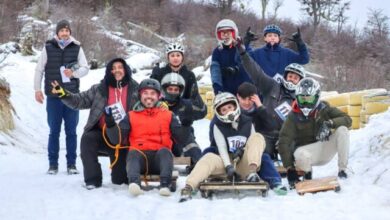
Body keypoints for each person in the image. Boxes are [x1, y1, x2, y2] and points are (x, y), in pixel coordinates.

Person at [51, 58, 139, 189]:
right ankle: (93, 180)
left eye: (120, 67)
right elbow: (79, 101)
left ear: (125, 69)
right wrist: (63, 94)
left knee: (119, 180)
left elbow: (150, 101)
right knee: (87, 139)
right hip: (101, 133)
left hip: (124, 138)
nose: (116, 70)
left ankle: (120, 173)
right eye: (113, 68)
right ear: (109, 71)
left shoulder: (136, 89)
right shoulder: (99, 89)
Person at [105, 78, 186, 197]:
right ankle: (134, 184)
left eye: (153, 93)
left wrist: (185, 125)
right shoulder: (131, 116)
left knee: (165, 152)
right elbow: (116, 139)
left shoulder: (168, 115)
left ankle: (165, 185)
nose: (149, 96)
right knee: (132, 153)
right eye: (145, 93)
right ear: (140, 95)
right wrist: (111, 124)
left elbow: (181, 138)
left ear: (158, 96)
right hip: (140, 159)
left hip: (160, 160)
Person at [180, 92, 265, 202]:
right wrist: (229, 167)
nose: (228, 111)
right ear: (219, 113)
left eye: (230, 107)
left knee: (257, 137)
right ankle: (189, 187)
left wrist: (242, 150)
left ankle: (253, 173)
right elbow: (222, 148)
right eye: (224, 110)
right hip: (226, 165)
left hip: (246, 163)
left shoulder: (248, 122)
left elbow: (253, 143)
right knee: (208, 157)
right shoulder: (217, 125)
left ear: (235, 106)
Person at [34, 19, 89, 175]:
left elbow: (85, 68)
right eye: (61, 30)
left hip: (72, 97)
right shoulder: (48, 47)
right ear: (57, 33)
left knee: (71, 132)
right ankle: (53, 164)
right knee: (54, 131)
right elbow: (39, 70)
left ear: (70, 32)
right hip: (54, 96)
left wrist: (74, 73)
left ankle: (71, 165)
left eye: (67, 30)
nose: (64, 33)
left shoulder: (77, 47)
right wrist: (37, 89)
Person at [278, 78, 352, 188]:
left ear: (317, 97)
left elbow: (347, 119)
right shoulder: (293, 116)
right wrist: (289, 169)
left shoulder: (324, 109)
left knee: (343, 130)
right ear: (297, 98)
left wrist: (330, 123)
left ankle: (343, 170)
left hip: (324, 147)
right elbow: (284, 141)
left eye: (309, 99)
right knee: (300, 154)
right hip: (305, 154)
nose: (306, 103)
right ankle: (307, 174)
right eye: (302, 99)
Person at [238, 39, 306, 159]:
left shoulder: (300, 100)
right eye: (290, 76)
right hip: (265, 133)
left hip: (284, 137)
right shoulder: (272, 85)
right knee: (263, 155)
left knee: (297, 153)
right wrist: (243, 53)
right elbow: (256, 72)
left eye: (295, 78)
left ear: (300, 81)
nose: (291, 79)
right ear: (285, 76)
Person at [160, 73, 206, 167]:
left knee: (189, 139)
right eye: (170, 89)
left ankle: (199, 164)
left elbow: (202, 112)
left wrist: (197, 96)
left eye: (176, 90)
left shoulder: (186, 105)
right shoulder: (158, 105)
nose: (173, 92)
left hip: (182, 141)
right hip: (162, 141)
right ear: (164, 90)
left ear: (180, 91)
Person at [151, 42, 205, 112]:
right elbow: (153, 91)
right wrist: (154, 76)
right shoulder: (161, 72)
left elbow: (193, 95)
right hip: (162, 109)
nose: (175, 58)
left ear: (182, 57)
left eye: (178, 55)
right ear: (168, 57)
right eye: (172, 55)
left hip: (182, 110)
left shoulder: (189, 75)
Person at [210, 19, 253, 95]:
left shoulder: (243, 46)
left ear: (234, 33)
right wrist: (217, 87)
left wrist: (236, 68)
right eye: (223, 33)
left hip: (245, 90)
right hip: (226, 90)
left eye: (228, 33)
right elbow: (215, 70)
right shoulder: (217, 51)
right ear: (219, 35)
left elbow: (249, 63)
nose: (226, 35)